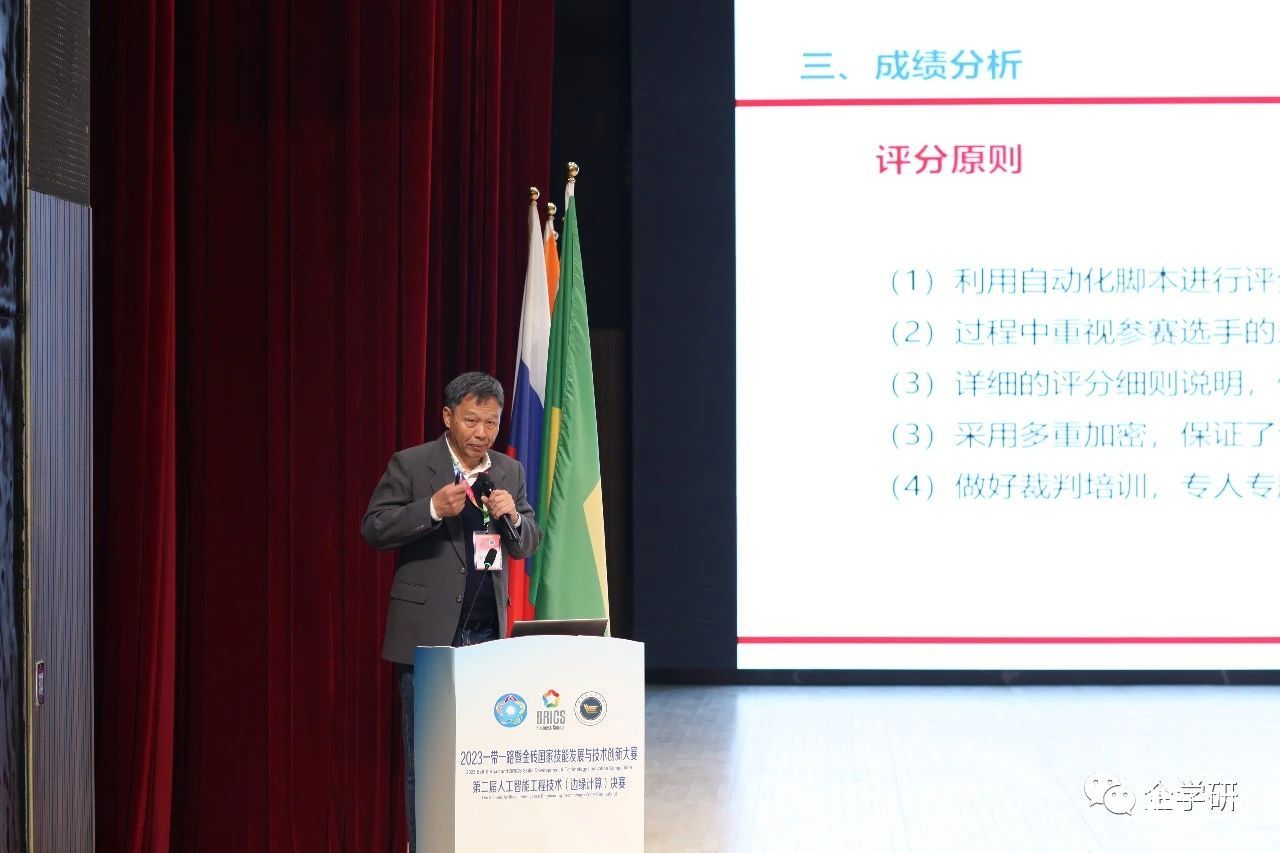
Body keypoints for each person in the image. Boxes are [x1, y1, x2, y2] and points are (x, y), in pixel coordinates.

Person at [361, 371, 542, 849]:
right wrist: (432, 509)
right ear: (447, 417)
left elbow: (526, 543)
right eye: (471, 421)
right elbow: (374, 528)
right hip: (428, 637)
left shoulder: (509, 471)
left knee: (484, 756)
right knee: (427, 758)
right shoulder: (412, 464)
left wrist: (513, 516)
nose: (482, 433)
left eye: (491, 422)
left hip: (486, 637)